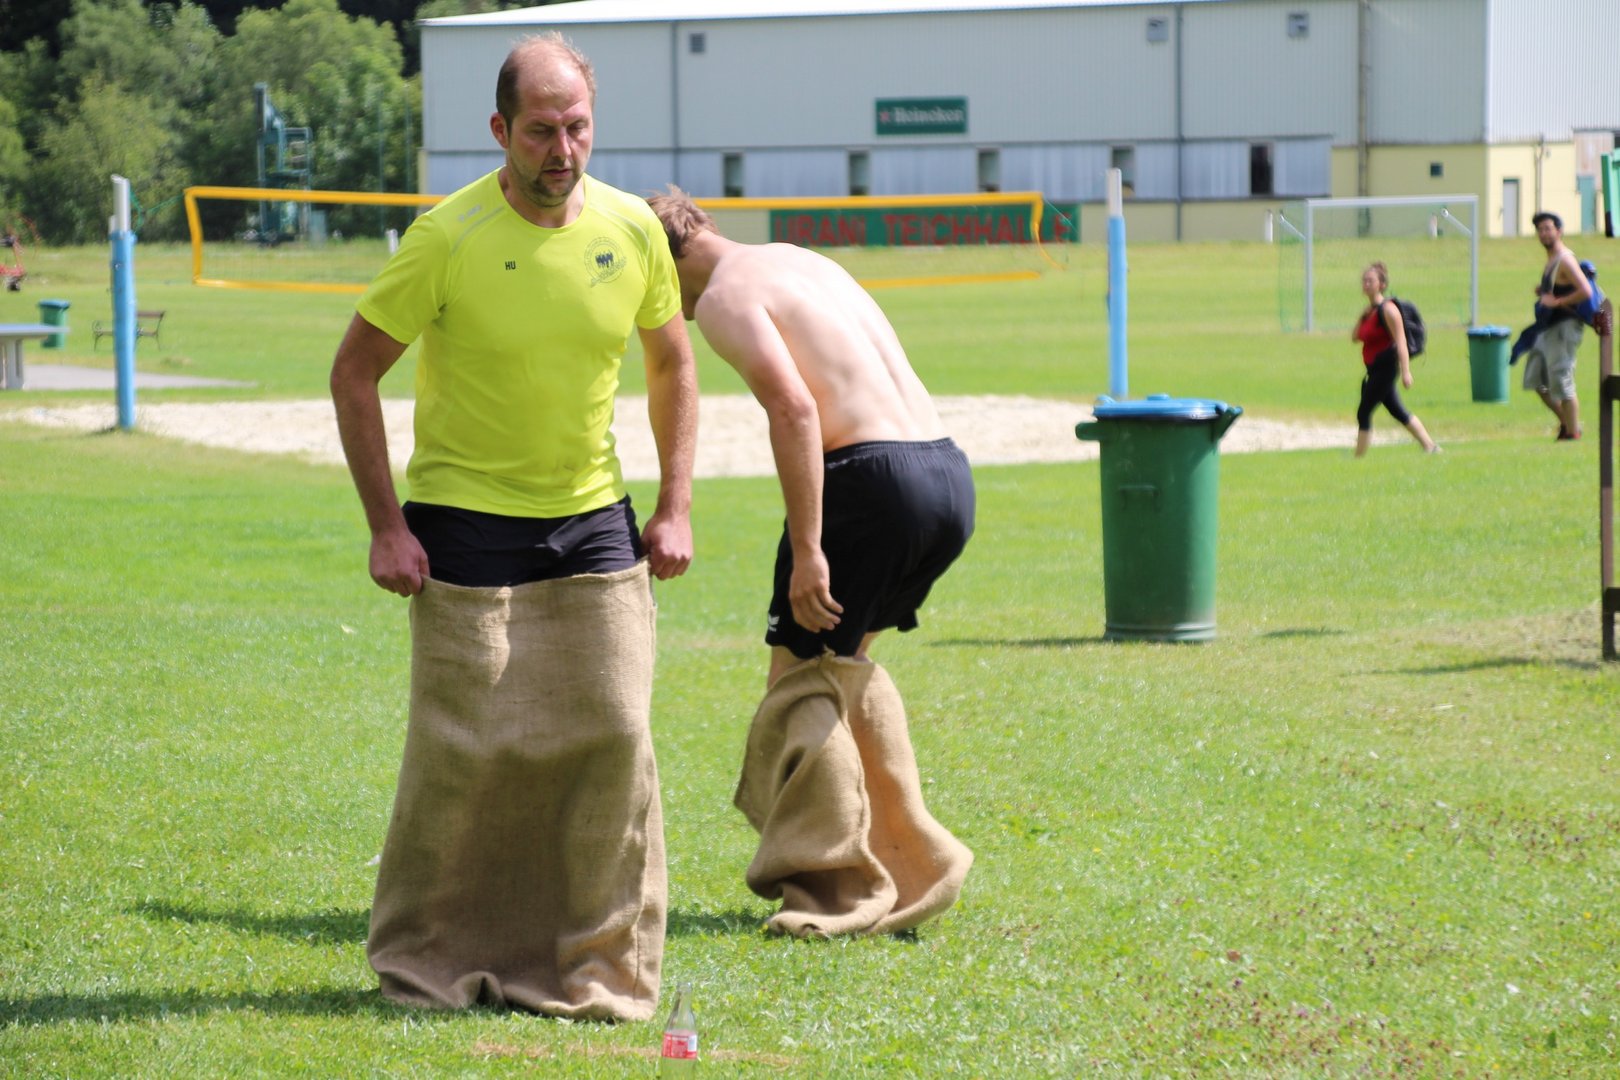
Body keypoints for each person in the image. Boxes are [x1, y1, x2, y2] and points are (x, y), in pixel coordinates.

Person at [330, 33, 697, 1022]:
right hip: (462, 523)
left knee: (617, 732)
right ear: (499, 130)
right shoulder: (444, 237)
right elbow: (353, 373)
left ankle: (601, 962)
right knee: (465, 757)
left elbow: (673, 364)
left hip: (593, 518)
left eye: (577, 127)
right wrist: (385, 527)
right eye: (540, 130)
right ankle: (432, 953)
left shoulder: (633, 228)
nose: (561, 149)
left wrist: (674, 504)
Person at [647, 185, 973, 939]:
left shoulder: (724, 297)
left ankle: (837, 893)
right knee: (841, 669)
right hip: (946, 474)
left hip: (871, 482)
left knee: (797, 686)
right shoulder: (800, 261)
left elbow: (793, 408)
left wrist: (808, 549)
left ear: (662, 265)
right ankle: (908, 866)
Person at [1350, 261, 1438, 456]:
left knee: (1363, 412)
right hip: (1373, 369)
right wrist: (1362, 317)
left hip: (1386, 368)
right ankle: (1431, 447)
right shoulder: (1369, 312)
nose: (1366, 284)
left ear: (1382, 284)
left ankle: (1358, 458)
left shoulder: (1389, 310)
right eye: (1364, 280)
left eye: (1370, 281)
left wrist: (1406, 372)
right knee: (1397, 410)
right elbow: (1355, 337)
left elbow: (1401, 342)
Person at [1522, 211, 1591, 440]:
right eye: (1540, 230)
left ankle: (1572, 434)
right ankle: (1569, 423)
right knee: (1536, 380)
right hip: (1548, 328)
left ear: (1559, 231)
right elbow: (1559, 288)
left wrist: (1558, 301)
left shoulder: (1565, 259)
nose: (1543, 233)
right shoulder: (1552, 259)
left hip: (1564, 327)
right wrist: (1544, 292)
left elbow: (1585, 290)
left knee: (1562, 380)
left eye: (1548, 229)